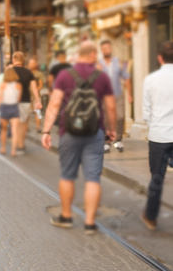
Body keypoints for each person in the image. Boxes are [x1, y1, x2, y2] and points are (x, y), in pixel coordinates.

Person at [42, 41, 116, 233]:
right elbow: (110, 107)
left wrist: (46, 130)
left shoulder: (65, 75)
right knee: (93, 178)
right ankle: (90, 223)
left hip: (69, 132)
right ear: (92, 54)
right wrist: (112, 129)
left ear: (79, 55)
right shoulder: (102, 77)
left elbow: (54, 104)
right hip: (95, 132)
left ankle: (66, 217)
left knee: (67, 175)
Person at [141, 41, 173, 230]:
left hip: (159, 136)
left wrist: (155, 126)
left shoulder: (151, 79)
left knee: (157, 178)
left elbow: (146, 112)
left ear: (159, 58)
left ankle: (150, 217)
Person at [99, 39, 131, 152]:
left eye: (107, 48)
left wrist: (130, 94)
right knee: (106, 119)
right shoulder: (99, 64)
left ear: (111, 48)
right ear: (101, 50)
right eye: (104, 48)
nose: (106, 50)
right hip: (104, 97)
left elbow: (126, 77)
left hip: (118, 94)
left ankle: (118, 140)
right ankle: (106, 141)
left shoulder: (118, 62)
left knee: (120, 116)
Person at [12, 51, 41, 153]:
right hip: (26, 101)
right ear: (23, 61)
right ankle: (21, 144)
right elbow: (34, 87)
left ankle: (18, 144)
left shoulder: (10, 71)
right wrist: (38, 101)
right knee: (24, 124)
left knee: (16, 123)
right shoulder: (28, 72)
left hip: (13, 101)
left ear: (13, 60)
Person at [0, 67, 21, 156]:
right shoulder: (18, 85)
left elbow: (0, 98)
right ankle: (13, 151)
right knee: (14, 131)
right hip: (14, 107)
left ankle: (3, 148)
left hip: (5, 107)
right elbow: (18, 99)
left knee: (4, 130)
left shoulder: (3, 85)